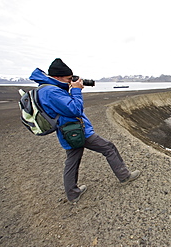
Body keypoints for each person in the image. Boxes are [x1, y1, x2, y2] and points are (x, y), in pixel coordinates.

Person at [29, 58, 140, 203]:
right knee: (108, 148)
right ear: (56, 77)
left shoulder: (46, 88)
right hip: (76, 132)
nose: (70, 81)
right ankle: (124, 176)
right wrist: (75, 89)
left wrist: (70, 87)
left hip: (68, 132)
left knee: (72, 161)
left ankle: (73, 194)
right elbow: (75, 109)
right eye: (68, 79)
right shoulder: (51, 91)